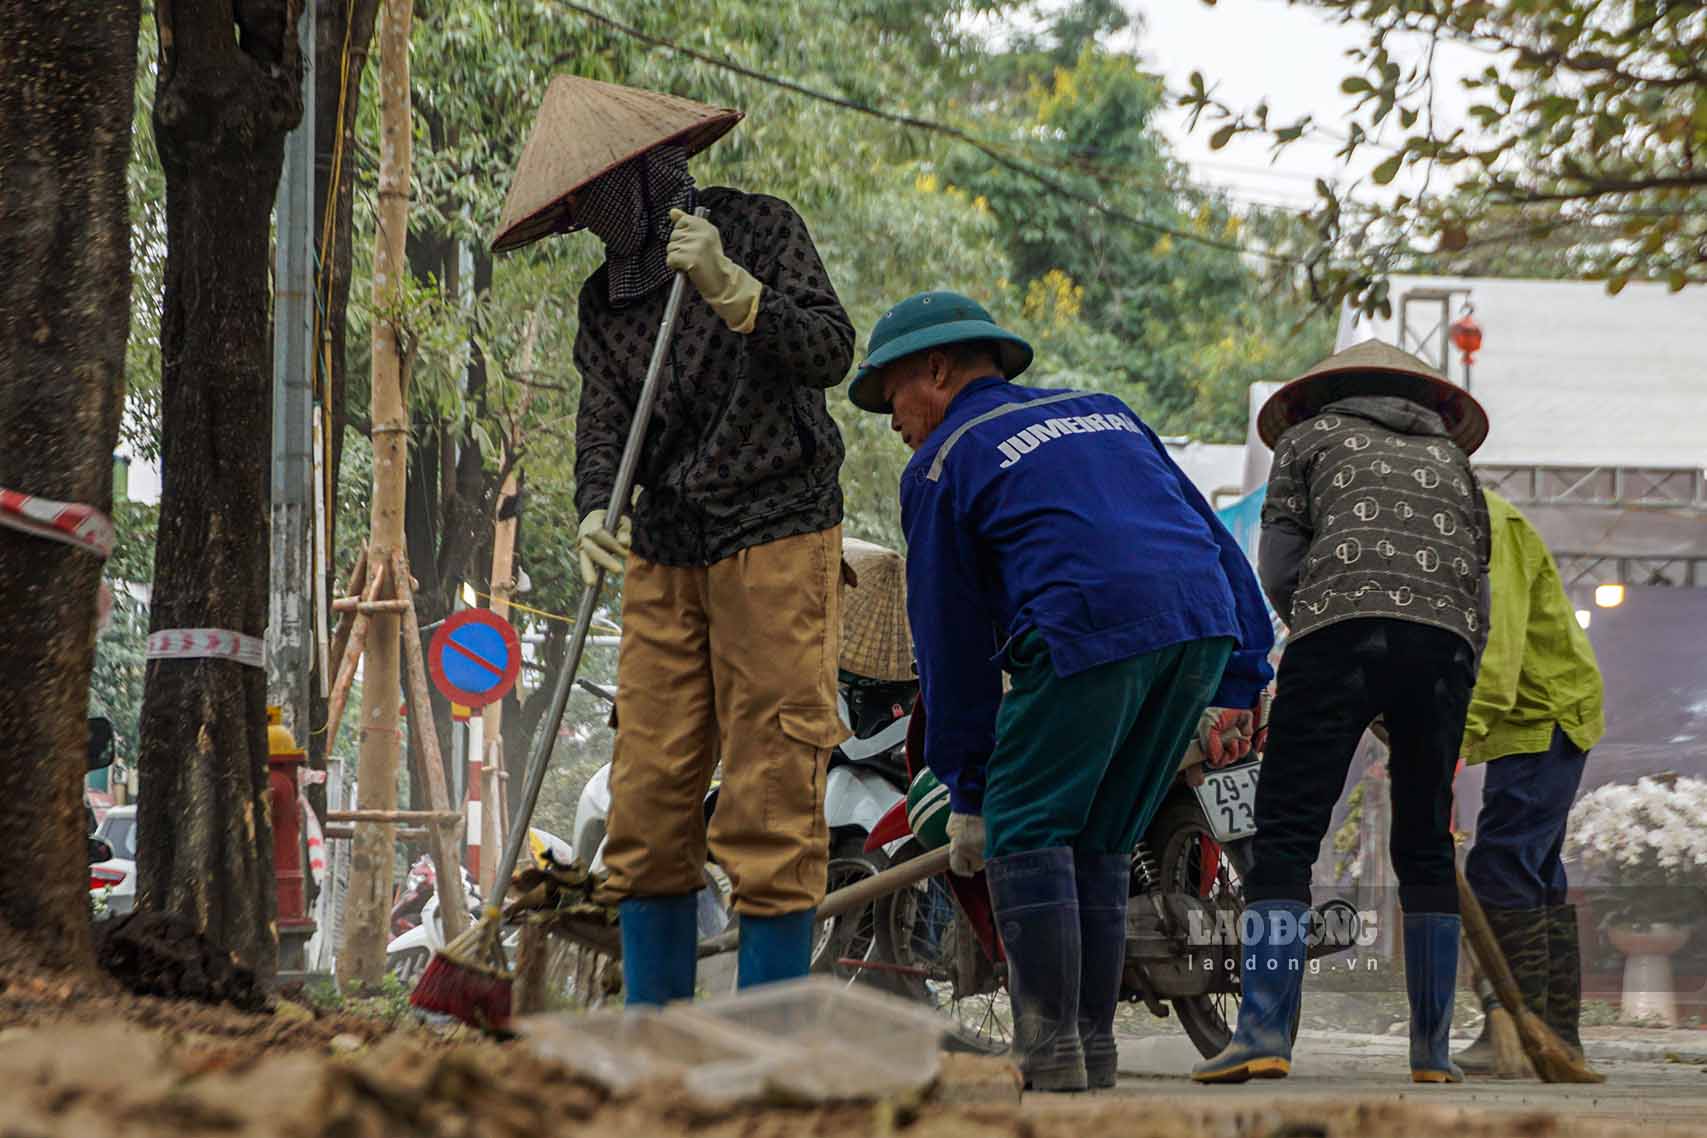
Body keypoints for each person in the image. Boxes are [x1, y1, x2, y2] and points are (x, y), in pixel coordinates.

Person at [850, 290, 1275, 1092]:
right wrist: (1247, 667)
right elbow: (1210, 537)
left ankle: (1046, 1052)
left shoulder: (942, 461)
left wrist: (970, 788)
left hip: (1088, 624)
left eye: (890, 397)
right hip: (1200, 623)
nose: (893, 420)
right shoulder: (1103, 411)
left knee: (1025, 826)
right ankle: (1088, 1051)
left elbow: (951, 640)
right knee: (1100, 841)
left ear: (935, 370)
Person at [493, 77, 856, 1004]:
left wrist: (734, 288)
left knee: (771, 788)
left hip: (775, 526)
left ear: (657, 174)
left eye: (602, 195)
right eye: (578, 207)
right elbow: (604, 423)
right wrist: (589, 506)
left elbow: (828, 351)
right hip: (667, 540)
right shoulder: (605, 301)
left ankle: (769, 1032)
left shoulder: (761, 228)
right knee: (648, 797)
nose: (591, 218)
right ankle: (658, 1030)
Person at [1194, 340, 1492, 1086]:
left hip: (1337, 637)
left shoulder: (1306, 438)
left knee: (1287, 833)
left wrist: (1329, 625)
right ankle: (1430, 1053)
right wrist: (1437, 673)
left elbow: (1279, 570)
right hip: (1445, 646)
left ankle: (1262, 1032)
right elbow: (1476, 592)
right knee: (1425, 843)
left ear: (1327, 393)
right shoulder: (1454, 464)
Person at [1453, 490, 1604, 1071]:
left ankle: (1512, 1034)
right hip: (1542, 710)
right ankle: (1556, 1036)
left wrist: (1455, 744)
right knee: (1535, 873)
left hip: (1545, 709)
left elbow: (1500, 648)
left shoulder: (1488, 519)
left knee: (1501, 867)